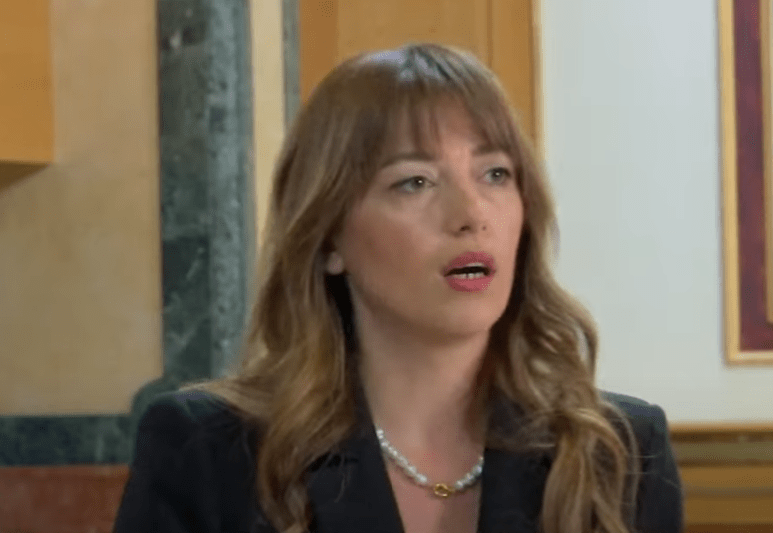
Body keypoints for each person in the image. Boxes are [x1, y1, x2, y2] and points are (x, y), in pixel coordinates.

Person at [113, 43, 683, 533]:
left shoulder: (620, 454)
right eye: (415, 182)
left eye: (495, 174)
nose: (471, 215)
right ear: (329, 238)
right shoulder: (209, 452)